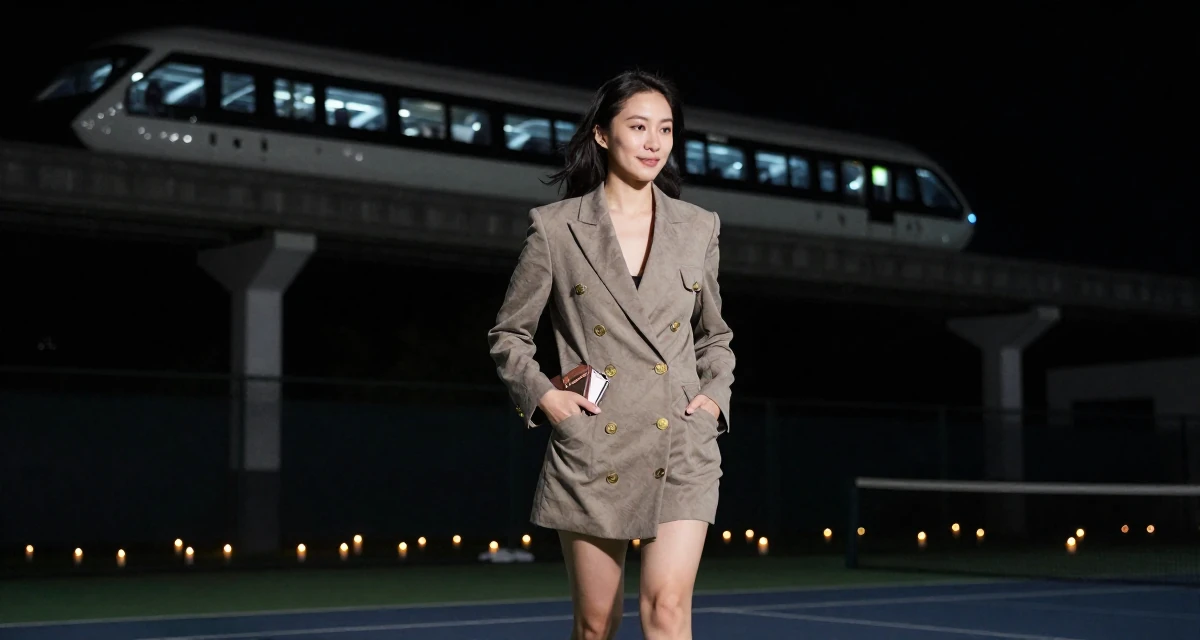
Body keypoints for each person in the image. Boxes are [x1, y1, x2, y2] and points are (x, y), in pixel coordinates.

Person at [487, 70, 735, 640]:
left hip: (682, 439)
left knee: (667, 611)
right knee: (596, 626)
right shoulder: (555, 229)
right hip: (596, 444)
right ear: (603, 135)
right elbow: (509, 334)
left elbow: (715, 336)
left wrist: (713, 401)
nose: (654, 142)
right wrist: (548, 398)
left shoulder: (699, 227)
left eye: (666, 129)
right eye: (639, 126)